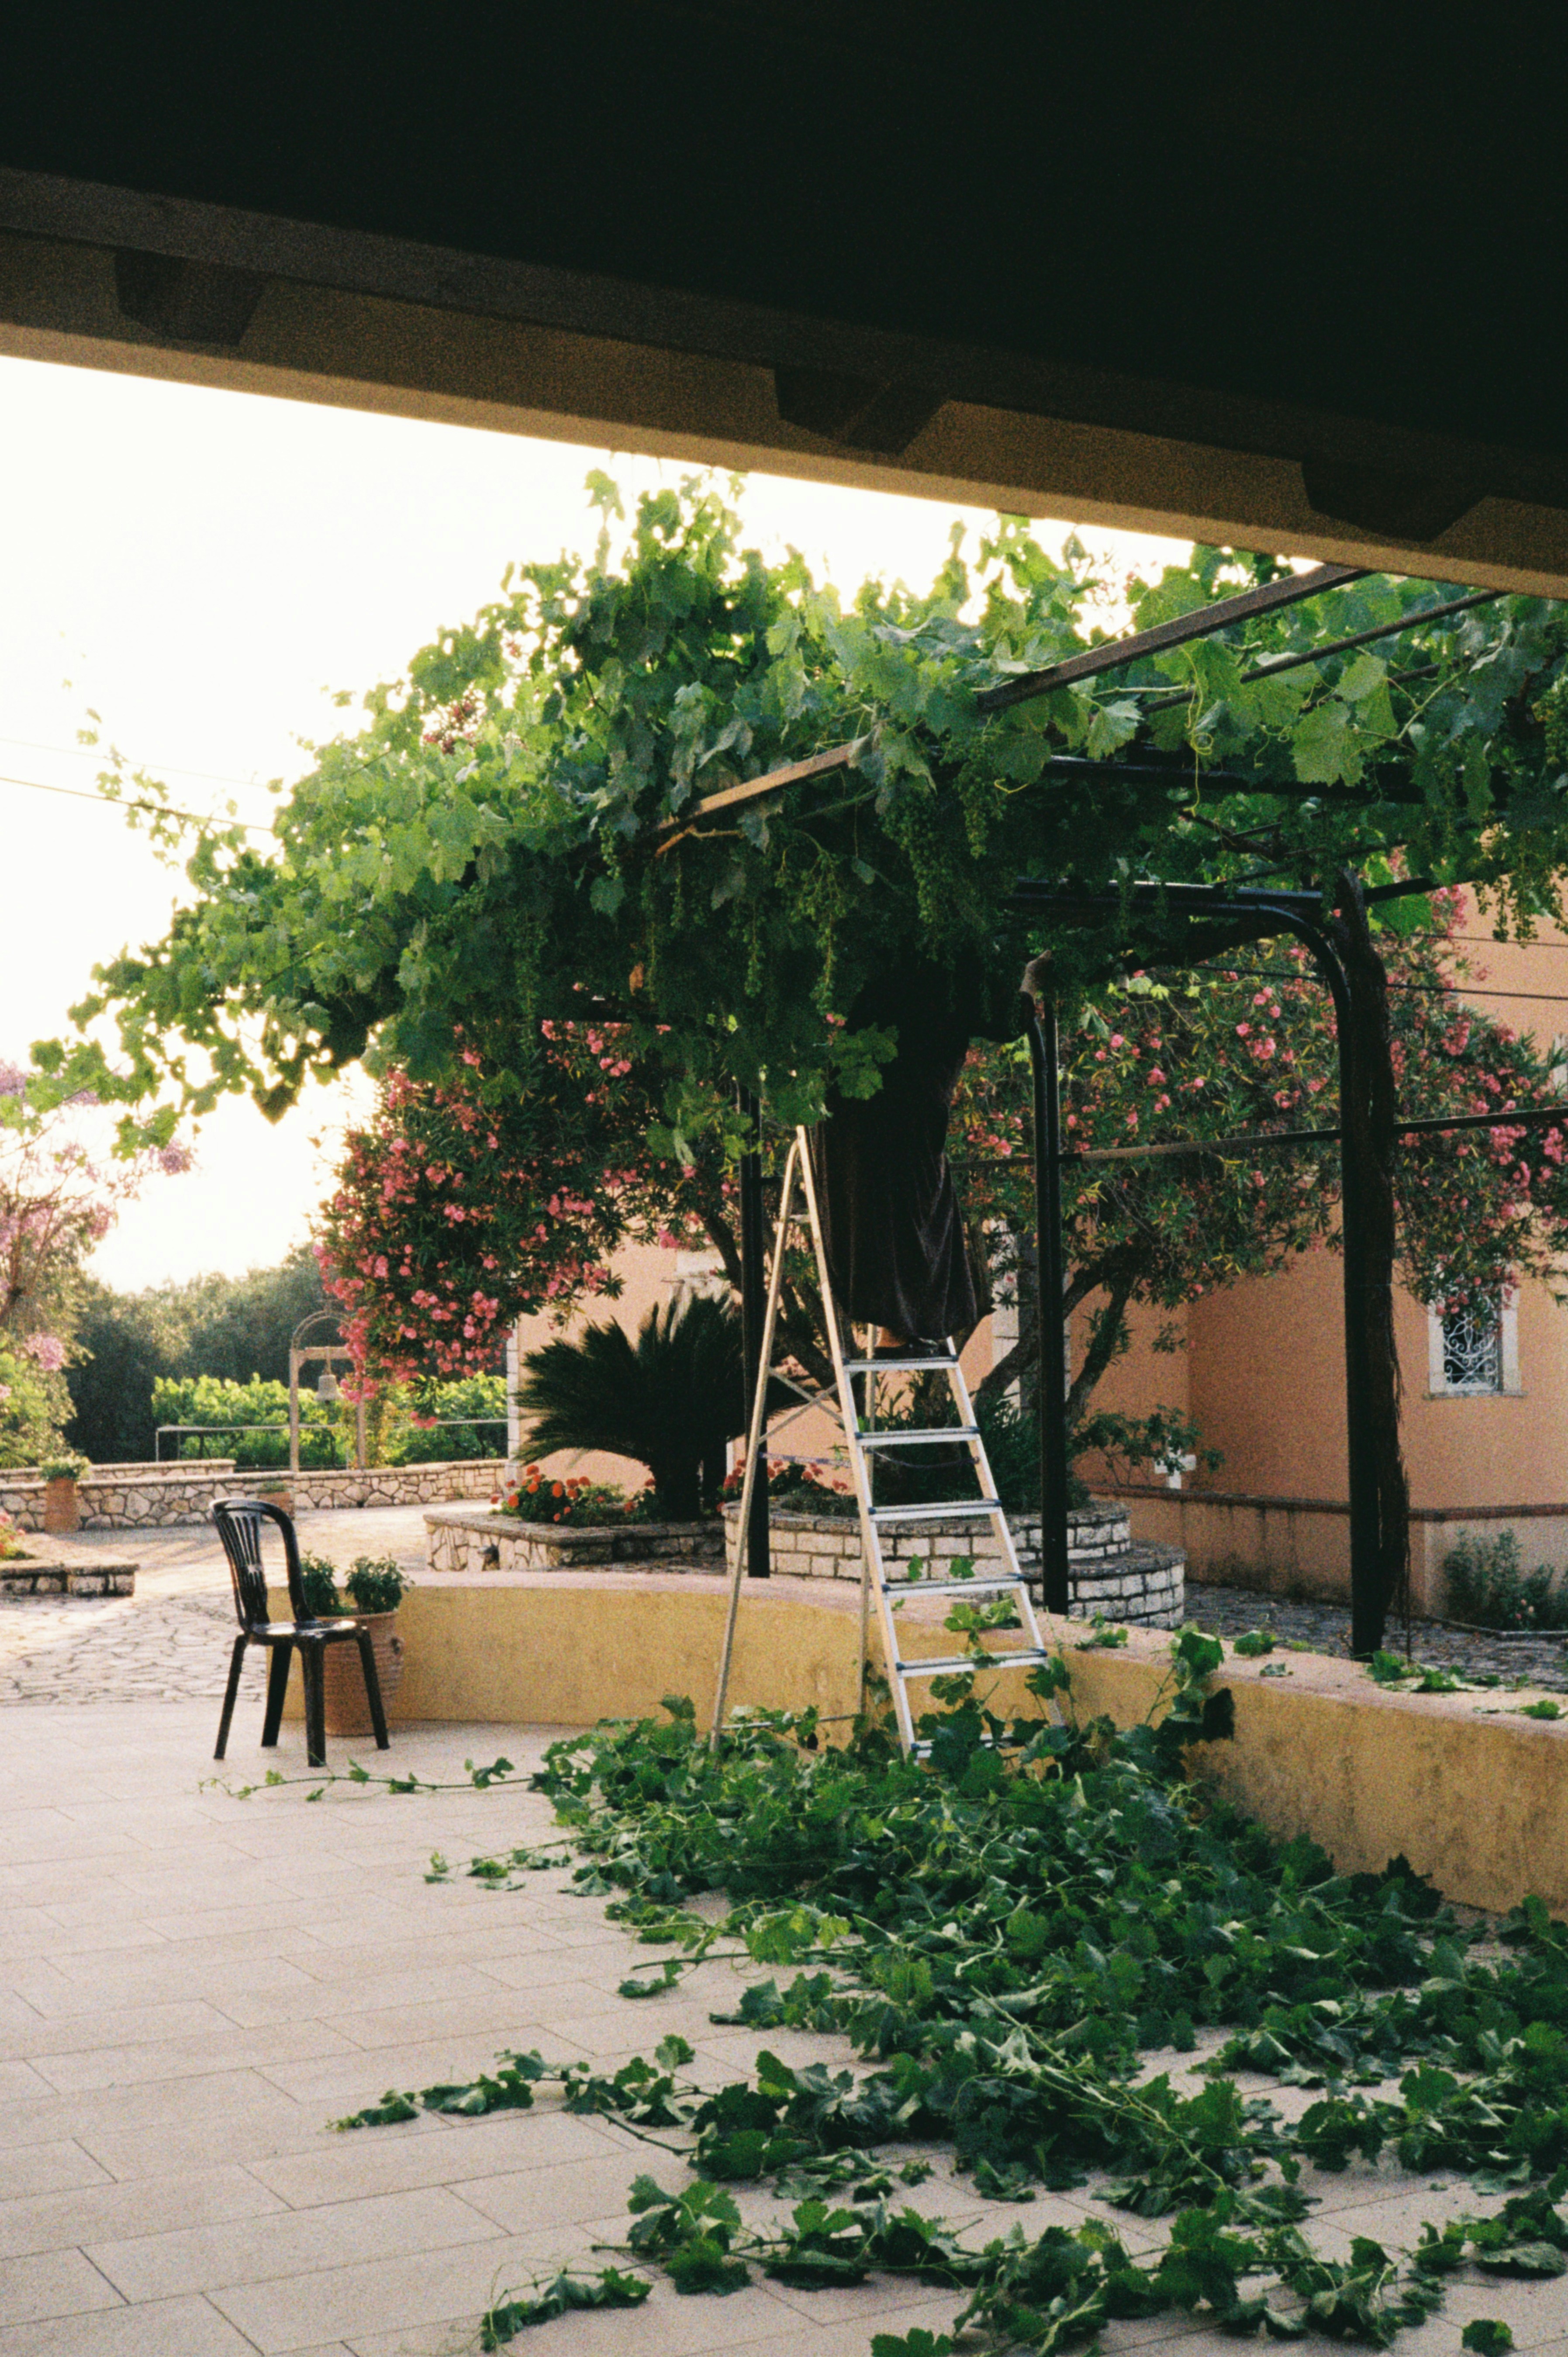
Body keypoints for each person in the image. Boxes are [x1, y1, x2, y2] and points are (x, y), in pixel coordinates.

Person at [808, 952, 1028, 1357]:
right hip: (892, 1101)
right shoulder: (944, 967)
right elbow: (1005, 1019)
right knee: (908, 1206)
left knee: (895, 1204)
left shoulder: (889, 962)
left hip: (870, 1098)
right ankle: (898, 1331)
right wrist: (1029, 982)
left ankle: (899, 1331)